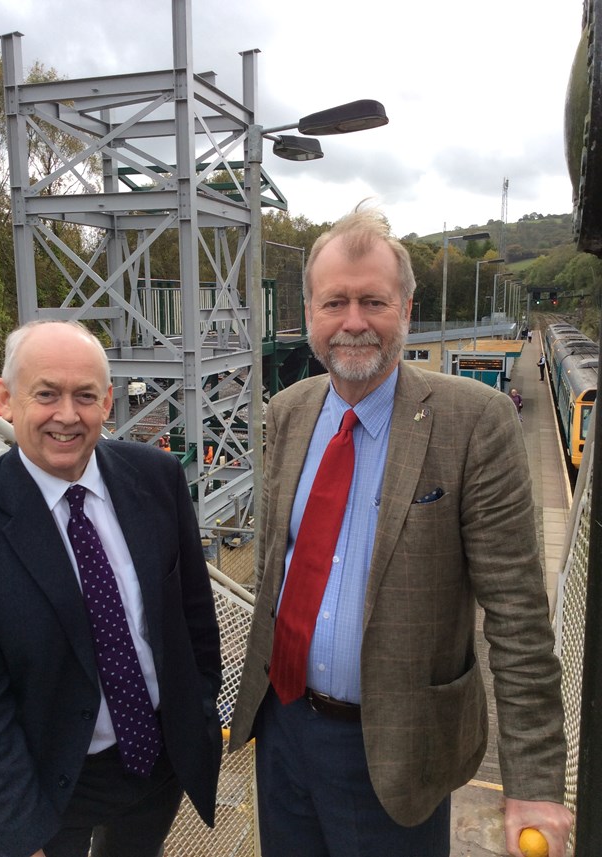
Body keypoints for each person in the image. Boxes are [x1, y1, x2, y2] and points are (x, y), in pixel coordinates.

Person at [229, 208, 572, 857]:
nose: (353, 320)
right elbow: (283, 563)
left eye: (372, 301)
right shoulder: (289, 411)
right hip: (282, 732)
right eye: (335, 301)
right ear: (309, 311)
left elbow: (518, 614)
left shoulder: (476, 421)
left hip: (395, 747)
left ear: (406, 309)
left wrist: (531, 782)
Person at [0, 320, 222, 857]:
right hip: (47, 785)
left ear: (107, 402)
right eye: (46, 394)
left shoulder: (155, 477)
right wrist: (16, 835)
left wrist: (195, 713)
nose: (67, 415)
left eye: (84, 396)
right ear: (5, 399)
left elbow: (194, 615)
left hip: (158, 761)